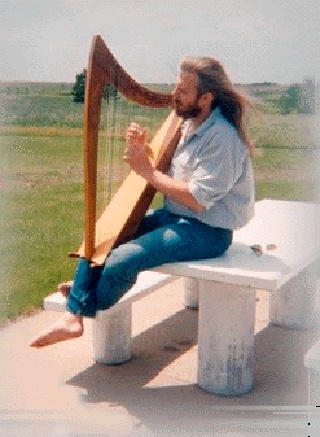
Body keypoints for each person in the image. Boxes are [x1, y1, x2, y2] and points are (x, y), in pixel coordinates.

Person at [30, 56, 255, 348]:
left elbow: (198, 200)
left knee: (123, 260)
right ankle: (78, 305)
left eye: (183, 91)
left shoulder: (222, 139)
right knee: (103, 235)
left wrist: (146, 171)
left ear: (206, 98)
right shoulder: (189, 122)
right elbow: (175, 172)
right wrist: (144, 150)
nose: (174, 96)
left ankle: (81, 305)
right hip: (175, 216)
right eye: (176, 87)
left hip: (207, 231)